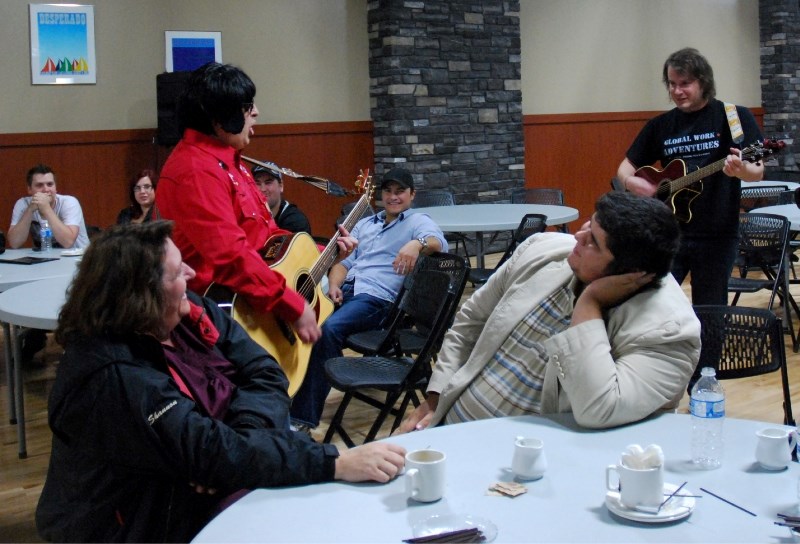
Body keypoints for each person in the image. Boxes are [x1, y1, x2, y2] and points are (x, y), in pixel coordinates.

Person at [35, 221, 406, 543]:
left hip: (208, 484)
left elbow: (265, 370)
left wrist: (239, 446)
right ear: (142, 296)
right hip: (138, 523)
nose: (192, 277)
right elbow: (209, 450)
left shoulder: (190, 313)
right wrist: (334, 462)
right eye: (178, 273)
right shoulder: (111, 378)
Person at [396, 192, 700, 433]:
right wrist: (436, 398)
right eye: (588, 225)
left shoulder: (668, 332)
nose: (578, 237)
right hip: (452, 425)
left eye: (593, 241)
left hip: (529, 472)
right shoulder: (543, 249)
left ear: (631, 273)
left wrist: (589, 304)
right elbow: (469, 322)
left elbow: (599, 408)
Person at [156, 62, 355, 346]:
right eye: (247, 107)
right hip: (217, 316)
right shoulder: (196, 170)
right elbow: (230, 257)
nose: (256, 113)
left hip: (253, 305)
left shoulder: (230, 162)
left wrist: (322, 252)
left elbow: (266, 238)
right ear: (219, 119)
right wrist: (291, 305)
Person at [290, 167, 448, 432]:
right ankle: (292, 390)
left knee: (328, 330)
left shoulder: (417, 221)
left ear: (412, 195)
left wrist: (415, 244)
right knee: (299, 318)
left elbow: (438, 242)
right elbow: (344, 263)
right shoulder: (366, 224)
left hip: (378, 300)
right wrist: (336, 285)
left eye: (400, 192)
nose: (393, 197)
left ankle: (302, 418)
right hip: (350, 291)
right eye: (388, 191)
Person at [616, 47, 764, 305]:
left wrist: (741, 170)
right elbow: (625, 168)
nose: (676, 91)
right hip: (667, 234)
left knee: (710, 311)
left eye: (685, 84)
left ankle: (710, 348)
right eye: (672, 84)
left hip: (717, 235)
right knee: (656, 305)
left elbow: (757, 171)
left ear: (703, 82)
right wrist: (631, 182)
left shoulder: (734, 117)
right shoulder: (659, 126)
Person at [8, 163, 90, 250]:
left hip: (76, 258)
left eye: (50, 184)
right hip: (45, 258)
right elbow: (14, 243)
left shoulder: (69, 202)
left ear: (55, 188)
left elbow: (68, 242)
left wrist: (46, 208)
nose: (46, 190)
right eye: (39, 185)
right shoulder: (23, 204)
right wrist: (30, 210)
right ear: (29, 189)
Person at [252, 161, 312, 234]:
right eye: (257, 183)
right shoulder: (249, 217)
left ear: (281, 186)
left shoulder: (296, 221)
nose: (263, 189)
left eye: (268, 182)